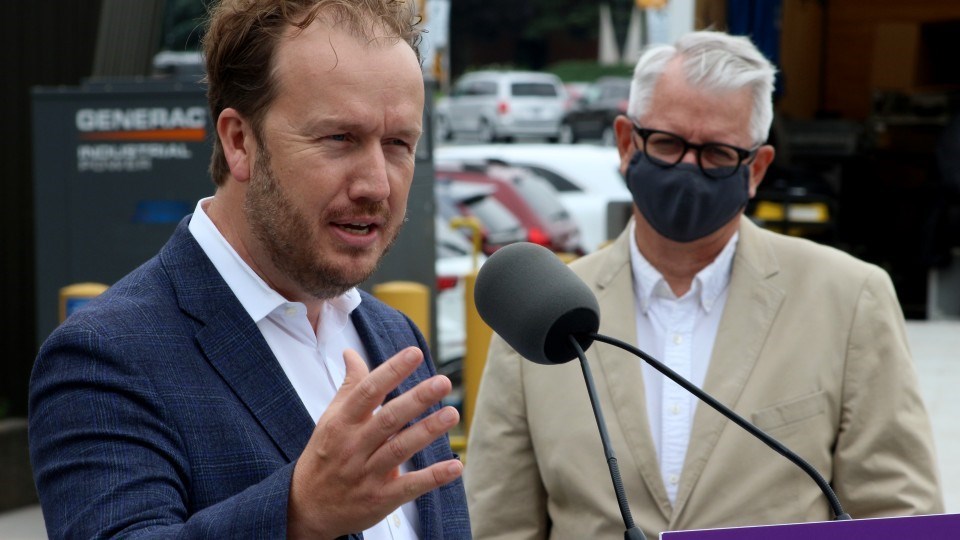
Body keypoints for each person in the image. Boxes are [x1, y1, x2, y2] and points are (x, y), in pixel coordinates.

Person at [464, 30, 943, 538]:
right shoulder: (543, 313)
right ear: (627, 142)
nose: (689, 169)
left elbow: (899, 514)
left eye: (716, 153)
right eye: (668, 144)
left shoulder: (849, 299)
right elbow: (498, 525)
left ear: (756, 169)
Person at [28, 1, 471, 538]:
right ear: (240, 142)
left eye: (399, 144)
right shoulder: (105, 356)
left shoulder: (394, 337)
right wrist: (297, 513)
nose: (377, 184)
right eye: (339, 139)